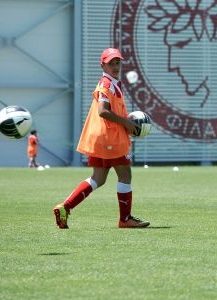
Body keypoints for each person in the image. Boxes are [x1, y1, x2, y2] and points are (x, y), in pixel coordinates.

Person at [53, 48, 149, 229]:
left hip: (101, 137)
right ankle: (125, 219)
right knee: (125, 174)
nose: (115, 66)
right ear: (102, 65)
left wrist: (125, 121)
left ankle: (65, 207)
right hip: (109, 138)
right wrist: (126, 123)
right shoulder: (106, 84)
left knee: (98, 178)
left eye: (117, 62)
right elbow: (103, 111)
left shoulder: (112, 83)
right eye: (111, 63)